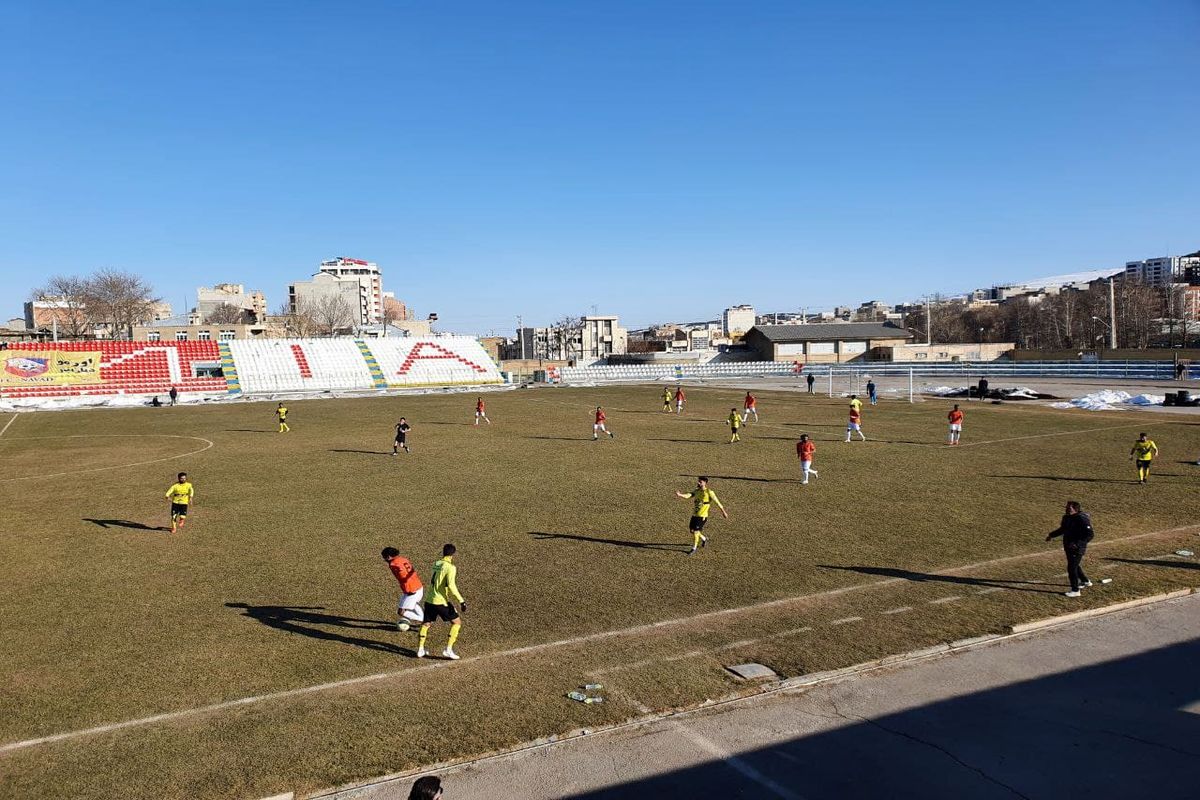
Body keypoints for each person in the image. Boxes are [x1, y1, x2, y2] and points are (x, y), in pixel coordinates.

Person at [418, 544, 465, 660]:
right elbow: (451, 585)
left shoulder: (436, 563)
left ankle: (420, 649)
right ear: (453, 554)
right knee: (457, 622)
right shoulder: (451, 567)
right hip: (440, 601)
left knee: (426, 624)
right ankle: (448, 650)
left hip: (429, 600)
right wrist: (461, 601)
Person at [1046, 500, 1095, 597]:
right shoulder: (1066, 517)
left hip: (1077, 548)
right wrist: (1051, 535)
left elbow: (1090, 534)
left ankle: (1075, 590)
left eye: (1069, 508)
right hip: (1068, 545)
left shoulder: (1082, 519)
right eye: (1066, 507)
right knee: (1074, 565)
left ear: (1075, 509)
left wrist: (1077, 544)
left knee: (1071, 568)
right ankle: (1085, 581)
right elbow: (1063, 529)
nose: (1066, 509)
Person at [675, 476, 728, 555]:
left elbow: (717, 502)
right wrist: (680, 495)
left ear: (705, 483)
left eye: (700, 482)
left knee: (696, 532)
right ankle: (704, 539)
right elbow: (689, 495)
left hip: (702, 516)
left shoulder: (709, 492)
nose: (698, 483)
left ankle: (694, 548)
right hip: (695, 514)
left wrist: (723, 512)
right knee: (692, 531)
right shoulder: (697, 491)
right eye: (698, 481)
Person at [382, 547, 424, 631]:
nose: (384, 559)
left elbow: (403, 576)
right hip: (418, 585)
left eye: (385, 557)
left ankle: (424, 620)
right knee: (414, 604)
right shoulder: (402, 559)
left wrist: (409, 590)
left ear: (389, 556)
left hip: (412, 590)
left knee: (401, 612)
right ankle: (423, 618)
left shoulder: (394, 564)